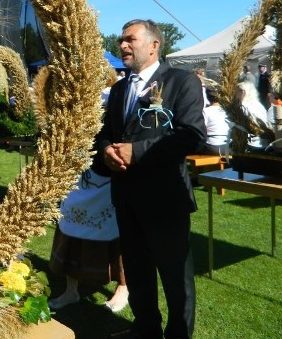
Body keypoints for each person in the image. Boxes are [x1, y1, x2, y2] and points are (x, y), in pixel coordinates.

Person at [96, 19, 206, 339]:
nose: (122, 45)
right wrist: (106, 152)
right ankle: (145, 328)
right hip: (127, 199)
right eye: (121, 40)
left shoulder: (180, 82)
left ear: (154, 45)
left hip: (165, 200)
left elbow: (192, 135)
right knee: (138, 271)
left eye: (130, 39)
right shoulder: (118, 90)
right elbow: (105, 134)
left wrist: (137, 152)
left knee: (175, 278)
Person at [48, 75, 128, 314]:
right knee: (69, 234)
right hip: (76, 178)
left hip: (105, 177)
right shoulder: (69, 103)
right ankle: (71, 290)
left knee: (114, 236)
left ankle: (124, 287)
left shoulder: (113, 97)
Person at [236, 81, 270, 150]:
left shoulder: (243, 106)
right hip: (265, 142)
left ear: (243, 92)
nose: (235, 93)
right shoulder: (259, 105)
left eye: (237, 91)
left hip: (252, 143)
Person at [201, 86, 230, 156]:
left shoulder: (205, 111)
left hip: (213, 147)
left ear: (207, 97)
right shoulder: (227, 110)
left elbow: (202, 129)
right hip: (228, 146)